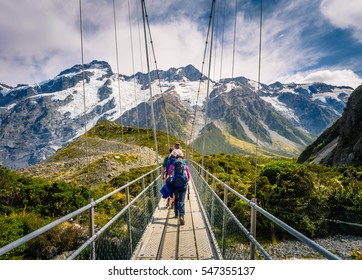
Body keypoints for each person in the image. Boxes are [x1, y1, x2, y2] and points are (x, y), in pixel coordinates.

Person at [167, 155, 190, 225]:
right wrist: (186, 182)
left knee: (176, 199)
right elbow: (188, 176)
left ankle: (176, 213)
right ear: (182, 159)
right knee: (181, 200)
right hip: (183, 186)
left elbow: (168, 174)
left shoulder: (172, 166)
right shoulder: (185, 166)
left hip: (174, 185)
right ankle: (181, 215)